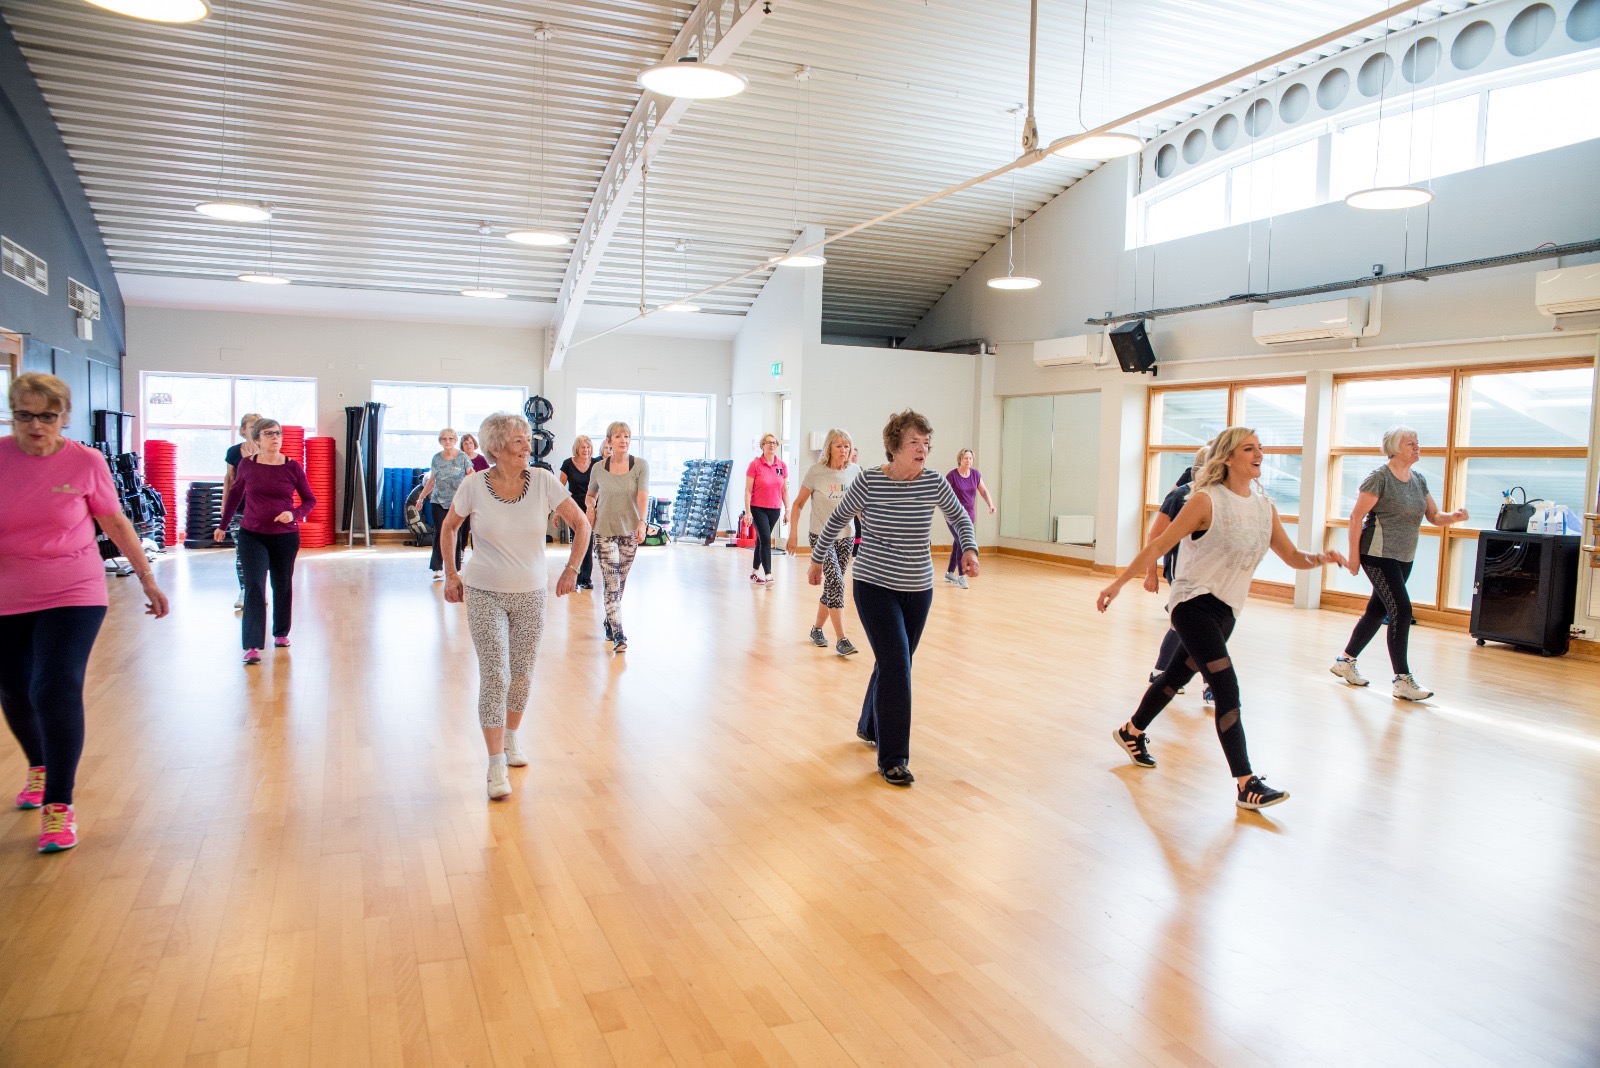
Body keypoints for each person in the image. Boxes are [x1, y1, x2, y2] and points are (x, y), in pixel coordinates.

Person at [1097, 427, 1347, 811]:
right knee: (1226, 686)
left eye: (1260, 448)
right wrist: (1118, 584)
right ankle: (1246, 783)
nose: (1258, 453)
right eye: (1249, 448)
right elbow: (1160, 544)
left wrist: (1321, 558)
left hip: (1228, 609)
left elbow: (1293, 557)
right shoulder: (1204, 500)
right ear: (1228, 458)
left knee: (1176, 676)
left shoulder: (1265, 507)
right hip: (1192, 601)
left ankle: (1131, 731)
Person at [1, 373, 170, 852]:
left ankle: (59, 803)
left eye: (47, 416)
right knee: (13, 688)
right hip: (7, 590)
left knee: (53, 684)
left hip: (73, 587)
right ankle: (39, 764)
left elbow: (114, 520)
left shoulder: (84, 461)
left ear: (64, 416)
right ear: (13, 413)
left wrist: (148, 579)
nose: (36, 426)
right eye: (25, 416)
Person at [811, 410, 978, 787]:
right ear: (895, 447)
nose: (923, 450)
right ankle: (893, 758)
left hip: (919, 589)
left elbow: (960, 517)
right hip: (874, 585)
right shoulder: (869, 481)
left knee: (894, 662)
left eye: (927, 443)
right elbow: (837, 519)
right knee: (898, 664)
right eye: (914, 443)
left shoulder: (934, 482)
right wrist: (818, 558)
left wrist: (970, 549)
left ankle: (870, 725)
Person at [439, 413, 590, 800]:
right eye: (520, 441)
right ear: (497, 449)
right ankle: (494, 765)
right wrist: (452, 573)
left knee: (521, 673)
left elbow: (582, 524)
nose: (528, 446)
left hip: (531, 594)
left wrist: (572, 568)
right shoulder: (474, 484)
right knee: (496, 673)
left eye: (527, 440)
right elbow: (450, 527)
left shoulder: (542, 481)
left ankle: (511, 738)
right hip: (484, 591)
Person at [1330, 425, 1468, 701]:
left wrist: (1453, 517)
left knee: (1376, 609)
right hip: (1377, 553)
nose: (1417, 448)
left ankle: (1345, 662)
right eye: (1410, 444)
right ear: (1394, 449)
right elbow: (1357, 518)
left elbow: (1434, 516)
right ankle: (1402, 679)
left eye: (1417, 443)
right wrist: (1354, 557)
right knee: (1401, 610)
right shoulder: (1379, 478)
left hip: (1404, 555)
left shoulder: (1418, 480)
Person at [214, 418, 316, 665]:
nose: (275, 437)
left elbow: (309, 500)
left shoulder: (292, 467)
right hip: (252, 535)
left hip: (285, 537)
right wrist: (223, 525)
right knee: (255, 586)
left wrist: (294, 514)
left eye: (278, 433)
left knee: (282, 585)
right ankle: (251, 645)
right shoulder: (247, 466)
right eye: (269, 433)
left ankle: (281, 633)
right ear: (257, 439)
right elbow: (235, 495)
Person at [1143, 444, 1209, 704]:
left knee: (1197, 628)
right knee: (1197, 627)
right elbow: (1154, 536)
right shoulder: (1181, 496)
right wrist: (1151, 572)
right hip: (1182, 571)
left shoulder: (1225, 497)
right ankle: (1207, 681)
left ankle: (1162, 671)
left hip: (1212, 574)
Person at [787, 428, 862, 656]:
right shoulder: (816, 472)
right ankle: (841, 639)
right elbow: (798, 504)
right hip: (821, 537)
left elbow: (861, 507)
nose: (844, 450)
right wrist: (793, 534)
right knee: (837, 583)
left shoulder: (856, 472)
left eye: (847, 446)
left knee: (832, 585)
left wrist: (870, 533)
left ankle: (817, 629)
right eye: (839, 446)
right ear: (829, 448)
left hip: (846, 536)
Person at [586, 421, 649, 653]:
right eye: (618, 436)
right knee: (611, 584)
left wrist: (642, 522)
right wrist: (590, 507)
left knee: (620, 583)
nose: (623, 440)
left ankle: (609, 620)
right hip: (604, 532)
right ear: (609, 441)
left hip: (629, 532)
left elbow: (643, 496)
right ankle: (619, 633)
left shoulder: (640, 466)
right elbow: (590, 494)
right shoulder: (598, 468)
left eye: (627, 436)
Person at [417, 428, 472, 579]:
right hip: (438, 501)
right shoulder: (436, 458)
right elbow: (432, 481)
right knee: (440, 532)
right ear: (440, 441)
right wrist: (421, 498)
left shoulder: (462, 458)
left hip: (457, 502)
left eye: (450, 439)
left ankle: (455, 567)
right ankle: (437, 567)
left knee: (456, 532)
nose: (447, 441)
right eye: (444, 439)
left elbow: (471, 476)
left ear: (455, 441)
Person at [222, 412, 261, 609]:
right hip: (238, 509)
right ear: (243, 429)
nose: (253, 430)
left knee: (262, 554)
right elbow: (229, 479)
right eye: (250, 426)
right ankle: (245, 591)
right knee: (241, 552)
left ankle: (258, 591)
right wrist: (224, 506)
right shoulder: (233, 452)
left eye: (257, 426)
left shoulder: (267, 452)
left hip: (261, 510)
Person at [942, 448, 994, 588]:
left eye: (970, 458)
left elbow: (983, 491)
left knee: (957, 543)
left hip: (969, 515)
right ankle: (962, 576)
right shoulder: (952, 476)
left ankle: (949, 573)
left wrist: (990, 504)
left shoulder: (975, 475)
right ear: (960, 459)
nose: (968, 461)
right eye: (966, 458)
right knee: (961, 542)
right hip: (953, 515)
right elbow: (944, 495)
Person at [744, 433, 788, 584]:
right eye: (769, 442)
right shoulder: (755, 465)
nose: (772, 445)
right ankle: (768, 574)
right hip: (757, 508)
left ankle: (754, 571)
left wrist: (787, 510)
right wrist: (748, 512)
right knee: (766, 539)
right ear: (762, 445)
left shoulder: (782, 466)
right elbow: (748, 490)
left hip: (775, 508)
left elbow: (784, 490)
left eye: (774, 443)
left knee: (762, 540)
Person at [559, 435, 596, 590]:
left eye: (588, 447)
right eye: (583, 447)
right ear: (577, 449)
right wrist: (557, 513)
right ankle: (575, 576)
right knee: (577, 541)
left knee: (589, 539)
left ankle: (585, 578)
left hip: (590, 506)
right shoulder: (568, 463)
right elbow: (559, 489)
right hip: (573, 507)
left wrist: (592, 506)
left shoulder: (596, 464)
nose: (586, 450)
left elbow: (599, 486)